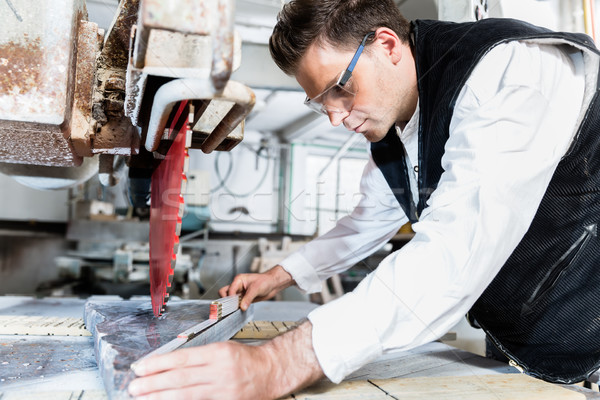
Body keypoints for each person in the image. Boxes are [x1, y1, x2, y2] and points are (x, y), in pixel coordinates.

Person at [128, 0, 600, 398]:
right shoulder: (395, 127)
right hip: (527, 338)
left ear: (386, 45)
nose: (334, 117)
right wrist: (280, 274)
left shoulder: (508, 72)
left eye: (339, 89)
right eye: (321, 103)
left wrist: (279, 363)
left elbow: (456, 250)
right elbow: (366, 220)